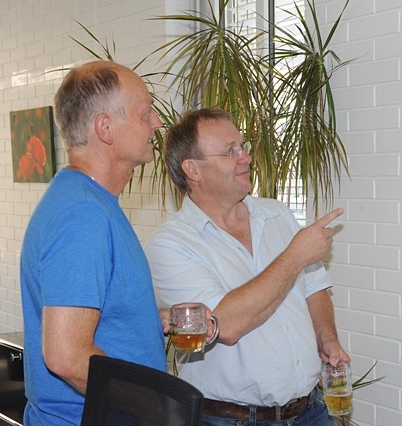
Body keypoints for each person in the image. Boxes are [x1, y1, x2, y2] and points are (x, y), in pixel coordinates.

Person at [144, 108, 350, 425]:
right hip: (233, 419)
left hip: (311, 411)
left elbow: (314, 289)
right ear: (193, 169)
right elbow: (225, 324)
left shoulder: (277, 214)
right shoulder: (170, 245)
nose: (246, 157)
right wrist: (294, 256)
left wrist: (328, 339)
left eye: (243, 146)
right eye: (230, 151)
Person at [20, 60, 167, 425]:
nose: (156, 123)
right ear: (105, 128)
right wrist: (153, 408)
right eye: (145, 113)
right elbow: (67, 357)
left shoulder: (87, 201)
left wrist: (143, 320)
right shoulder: (84, 215)